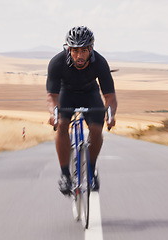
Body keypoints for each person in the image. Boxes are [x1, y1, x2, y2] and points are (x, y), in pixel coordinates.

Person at [46, 26, 118, 195]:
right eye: (75, 50)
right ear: (68, 49)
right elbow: (52, 96)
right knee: (62, 125)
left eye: (84, 50)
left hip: (90, 94)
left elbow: (110, 96)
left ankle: (91, 171)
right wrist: (52, 113)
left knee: (96, 129)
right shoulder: (57, 63)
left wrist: (111, 114)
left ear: (91, 49)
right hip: (66, 94)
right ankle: (65, 175)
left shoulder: (100, 63)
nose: (79, 56)